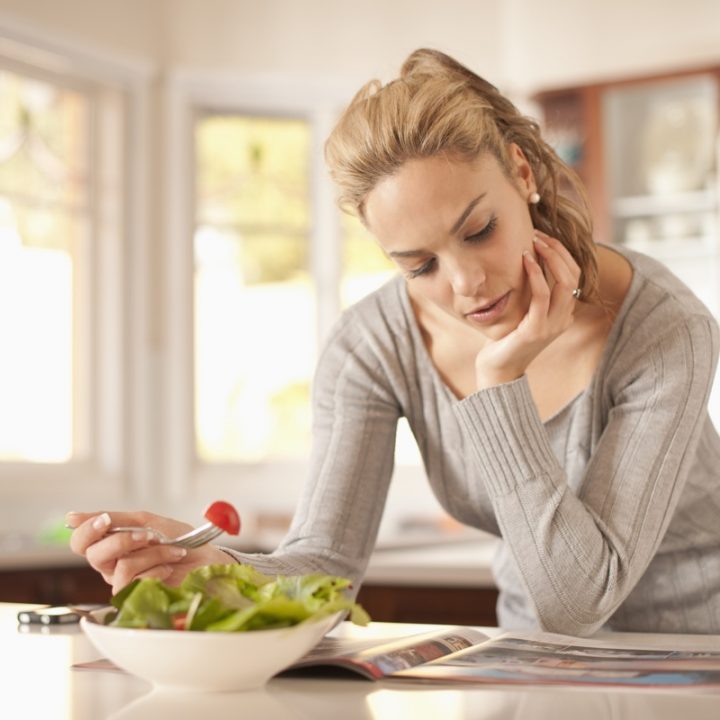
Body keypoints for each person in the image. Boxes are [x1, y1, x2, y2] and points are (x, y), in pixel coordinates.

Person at [67, 48, 720, 636]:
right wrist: (212, 569)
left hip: (695, 650)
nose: (466, 284)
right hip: (531, 661)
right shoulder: (372, 347)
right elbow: (325, 570)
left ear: (521, 173)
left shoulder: (662, 329)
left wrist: (500, 385)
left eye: (479, 229)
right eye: (420, 266)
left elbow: (578, 601)